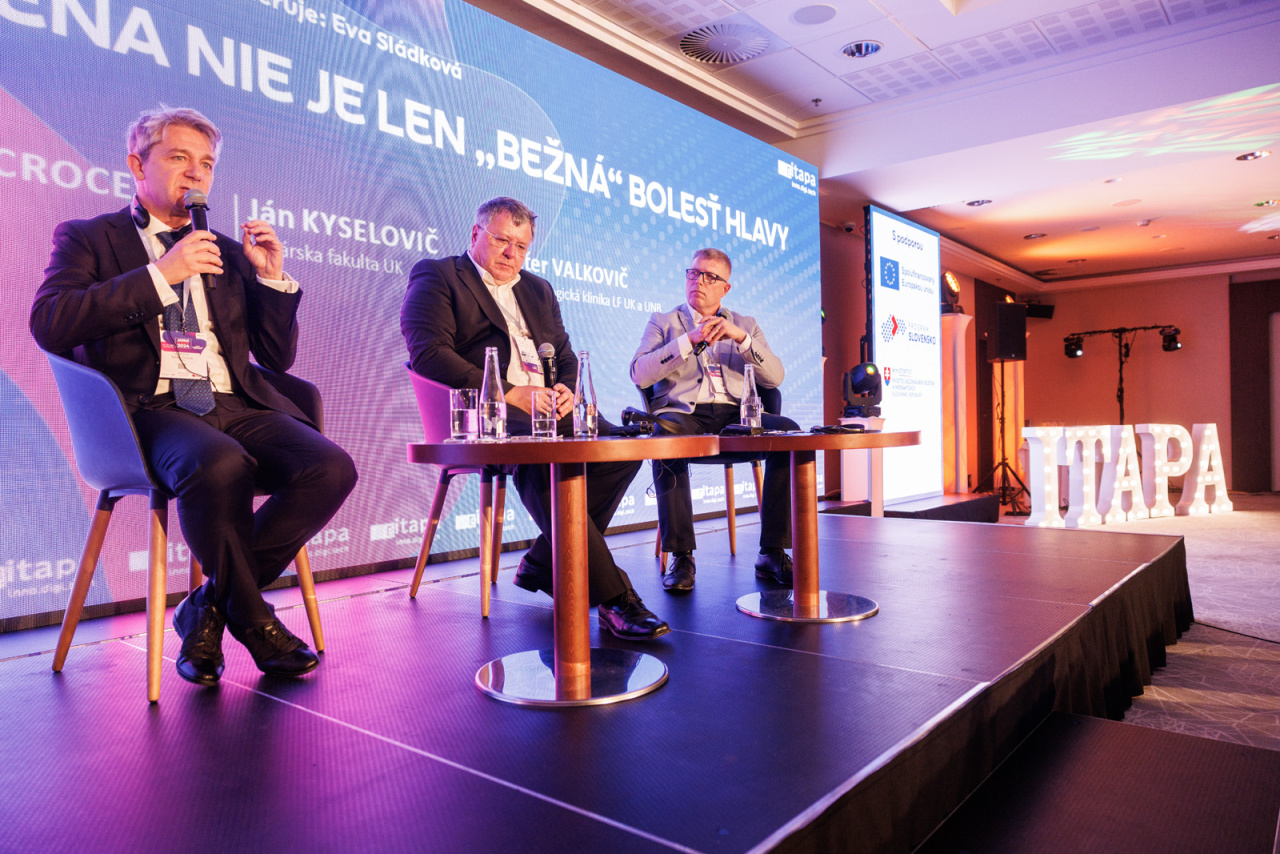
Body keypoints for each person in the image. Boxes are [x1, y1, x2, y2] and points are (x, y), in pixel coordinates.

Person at [31, 106, 357, 686]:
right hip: (147, 411)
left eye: (206, 164)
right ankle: (255, 622)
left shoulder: (226, 251)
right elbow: (51, 321)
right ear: (137, 166)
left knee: (330, 467)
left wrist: (271, 278)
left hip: (231, 401)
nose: (196, 174)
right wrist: (162, 274)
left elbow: (276, 358)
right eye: (179, 157)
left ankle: (207, 607)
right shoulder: (90, 238)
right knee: (220, 463)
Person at [401, 196, 669, 640]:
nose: (512, 254)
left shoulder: (538, 289)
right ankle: (615, 597)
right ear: (476, 234)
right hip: (483, 413)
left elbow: (564, 355)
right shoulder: (439, 276)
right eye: (502, 240)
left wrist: (566, 389)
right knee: (544, 452)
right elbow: (429, 354)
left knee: (623, 447)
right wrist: (509, 392)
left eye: (522, 246)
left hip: (547, 411)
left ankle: (544, 561)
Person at [630, 248, 798, 594]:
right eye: (693, 273)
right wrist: (687, 341)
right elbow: (639, 373)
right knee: (665, 437)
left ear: (725, 288)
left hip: (737, 415)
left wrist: (741, 338)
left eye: (710, 277)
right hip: (684, 414)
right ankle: (681, 556)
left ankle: (772, 552)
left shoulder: (746, 325)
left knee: (790, 434)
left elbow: (775, 377)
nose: (699, 281)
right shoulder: (663, 321)